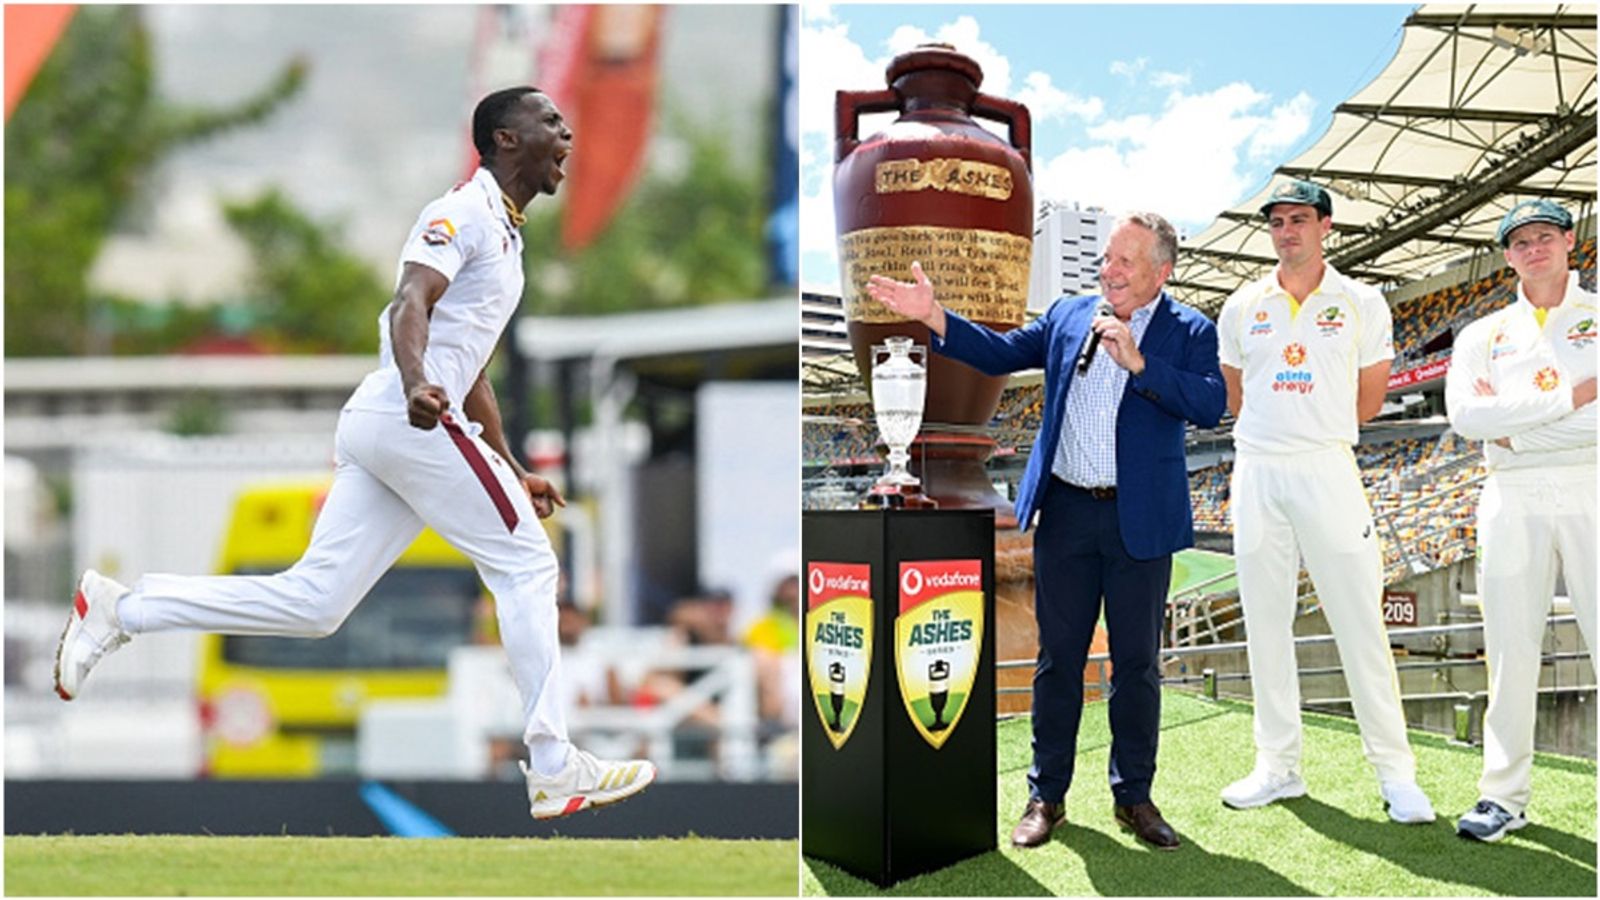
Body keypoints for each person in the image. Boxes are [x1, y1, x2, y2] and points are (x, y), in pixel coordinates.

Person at [52, 86, 655, 819]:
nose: (567, 133)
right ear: (503, 138)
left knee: (315, 603)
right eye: (552, 121)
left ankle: (122, 609)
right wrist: (414, 384)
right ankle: (555, 763)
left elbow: (473, 372)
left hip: (401, 422)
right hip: (405, 418)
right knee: (528, 562)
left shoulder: (507, 235)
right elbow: (409, 303)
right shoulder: (461, 211)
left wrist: (511, 463)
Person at [868, 212, 1225, 850]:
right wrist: (937, 316)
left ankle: (1134, 797)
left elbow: (1208, 404)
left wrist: (1141, 363)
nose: (1107, 270)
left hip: (1138, 520)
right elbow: (1002, 352)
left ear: (1160, 272)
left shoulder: (1191, 329)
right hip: (1066, 513)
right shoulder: (1069, 315)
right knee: (1058, 658)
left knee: (1137, 664)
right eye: (1107, 258)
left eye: (1123, 261)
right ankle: (1047, 795)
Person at [1215, 179, 1433, 824]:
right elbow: (1236, 395)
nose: (1288, 231)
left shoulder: (1362, 300)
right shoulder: (1241, 303)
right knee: (1265, 622)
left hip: (1327, 467)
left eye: (1301, 220)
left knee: (1360, 623)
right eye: (1278, 222)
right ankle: (1278, 766)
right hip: (1258, 469)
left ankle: (1397, 775)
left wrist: (1311, 429)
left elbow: (1369, 400)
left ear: (1326, 227)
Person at [1444, 198, 1596, 842]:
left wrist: (1514, 426)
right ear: (1507, 255)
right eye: (1520, 242)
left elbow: (1498, 423)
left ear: (1569, 242)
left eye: (1545, 237)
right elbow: (1466, 420)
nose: (1534, 249)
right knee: (1509, 648)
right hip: (1509, 492)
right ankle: (1503, 796)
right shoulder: (1481, 334)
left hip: (1591, 483)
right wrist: (1567, 401)